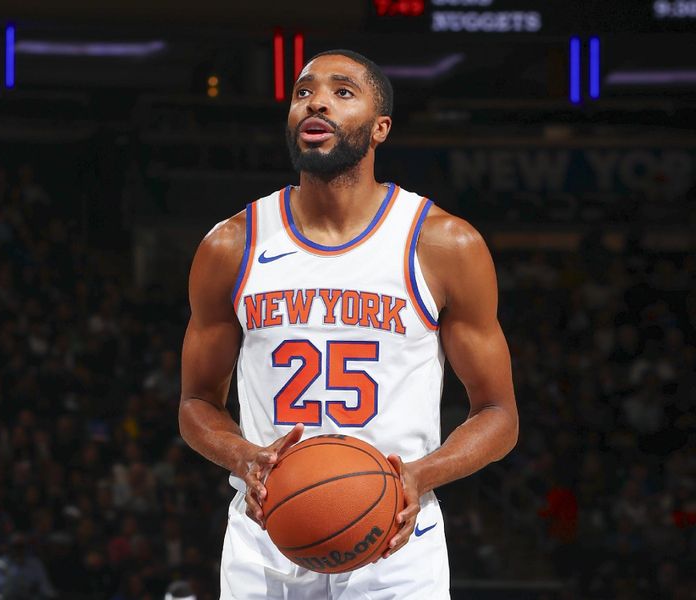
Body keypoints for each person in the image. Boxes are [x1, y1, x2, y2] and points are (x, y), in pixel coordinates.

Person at [179, 49, 519, 599]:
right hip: (267, 540)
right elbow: (195, 402)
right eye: (303, 91)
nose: (316, 101)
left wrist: (419, 475)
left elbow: (500, 415)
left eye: (342, 92)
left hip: (396, 542)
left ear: (380, 127)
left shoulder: (444, 243)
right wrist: (244, 457)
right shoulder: (231, 245)